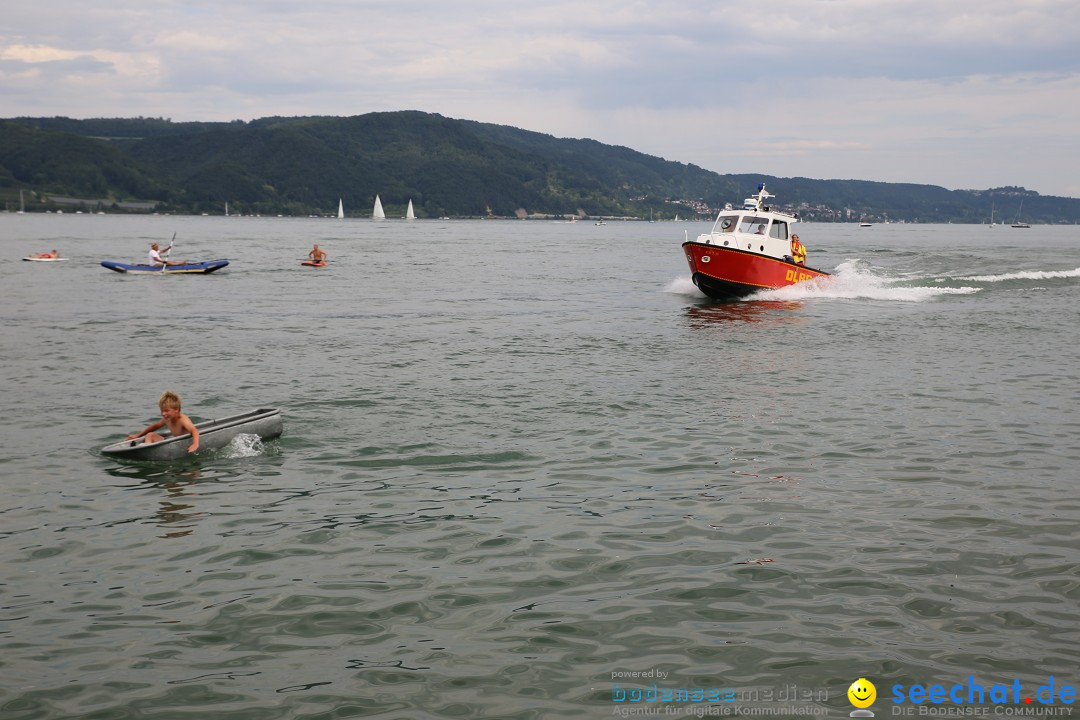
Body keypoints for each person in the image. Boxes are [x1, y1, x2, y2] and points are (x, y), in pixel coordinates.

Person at [127, 390, 200, 453]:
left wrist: (195, 444)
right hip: (174, 442)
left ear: (176, 409)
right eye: (162, 411)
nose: (163, 414)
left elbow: (194, 430)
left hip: (184, 444)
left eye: (166, 411)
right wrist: (138, 435)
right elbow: (155, 426)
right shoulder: (167, 419)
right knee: (150, 435)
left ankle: (146, 448)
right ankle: (146, 447)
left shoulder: (183, 419)